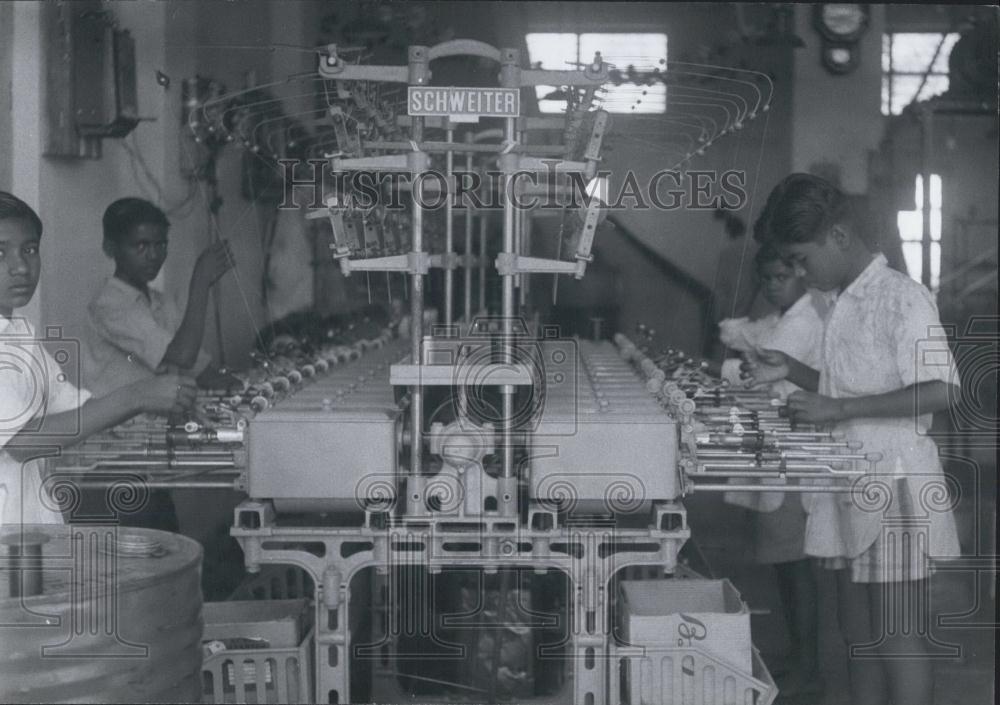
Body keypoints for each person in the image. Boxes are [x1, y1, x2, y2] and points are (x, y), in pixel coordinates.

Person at [744, 173, 961, 705]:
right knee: (858, 637)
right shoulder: (840, 302)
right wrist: (793, 369)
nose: (798, 271)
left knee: (897, 639)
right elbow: (853, 387)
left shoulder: (901, 298)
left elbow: (942, 390)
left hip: (895, 489)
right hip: (850, 482)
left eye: (801, 258)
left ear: (838, 237)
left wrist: (836, 408)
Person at [0, 191, 197, 528]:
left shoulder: (18, 333)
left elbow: (75, 412)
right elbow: (23, 440)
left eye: (30, 250)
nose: (20, 266)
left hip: (29, 527)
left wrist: (157, 401)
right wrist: (138, 395)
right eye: (0, 253)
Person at [83, 197, 237, 532]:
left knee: (168, 556)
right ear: (111, 248)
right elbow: (178, 356)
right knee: (139, 567)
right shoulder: (110, 305)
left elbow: (201, 370)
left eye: (160, 244)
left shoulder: (160, 304)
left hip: (149, 464)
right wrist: (201, 283)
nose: (154, 255)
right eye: (141, 245)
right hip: (114, 468)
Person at [718, 242, 828, 698]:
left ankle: (809, 662)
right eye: (764, 279)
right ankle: (801, 653)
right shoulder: (786, 318)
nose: (770, 286)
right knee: (785, 566)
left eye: (779, 277)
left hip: (794, 456)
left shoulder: (802, 321)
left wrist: (727, 368)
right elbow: (743, 342)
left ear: (801, 273)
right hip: (780, 449)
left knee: (796, 565)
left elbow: (757, 363)